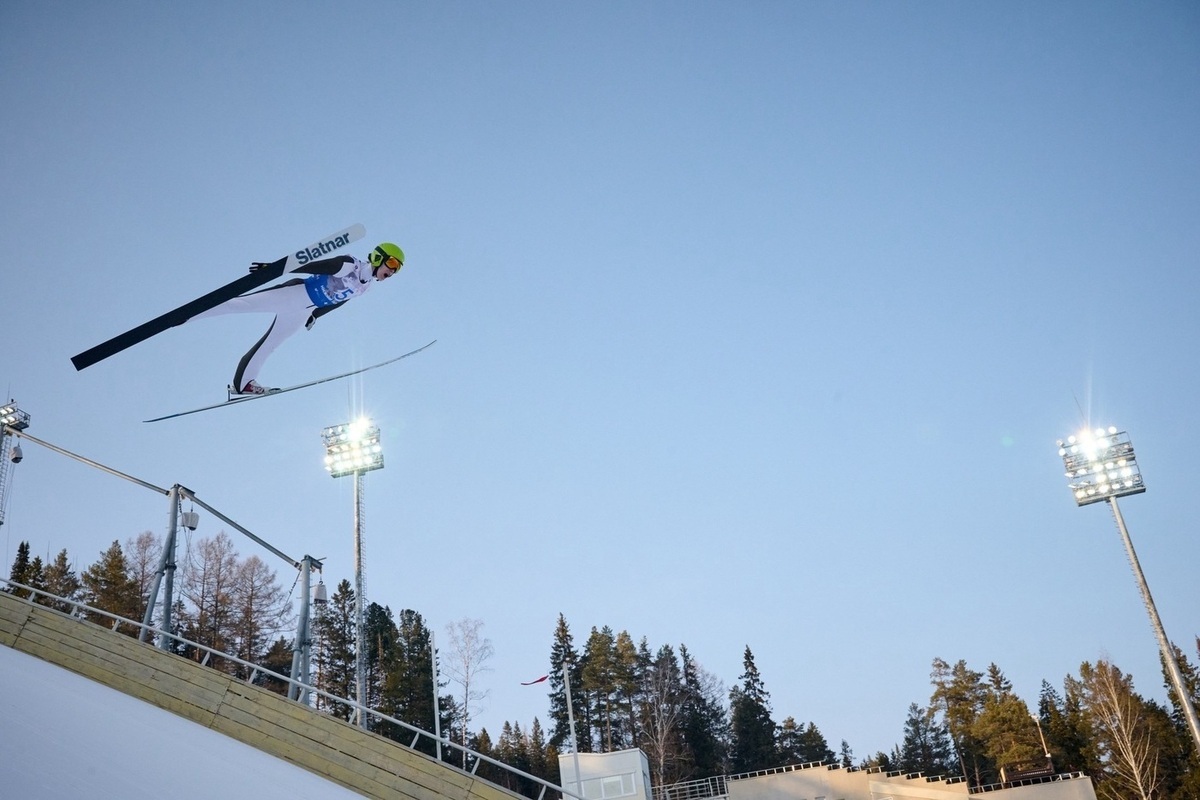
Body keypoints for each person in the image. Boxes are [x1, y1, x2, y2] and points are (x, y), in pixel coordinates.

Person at [191, 242, 404, 395]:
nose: (393, 271)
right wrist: (274, 269)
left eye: (397, 269)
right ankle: (189, 314)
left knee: (271, 344)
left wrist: (316, 315)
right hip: (295, 294)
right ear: (379, 257)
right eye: (392, 263)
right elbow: (315, 265)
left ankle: (242, 384)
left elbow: (339, 300)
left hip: (303, 312)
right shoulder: (350, 265)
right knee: (239, 305)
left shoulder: (365, 287)